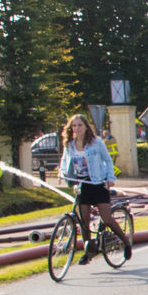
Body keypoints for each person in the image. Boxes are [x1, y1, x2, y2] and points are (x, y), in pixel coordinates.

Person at [59, 113, 131, 264]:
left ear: (86, 127)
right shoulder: (69, 144)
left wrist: (110, 178)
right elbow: (64, 161)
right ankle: (88, 251)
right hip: (82, 184)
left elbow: (108, 160)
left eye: (80, 125)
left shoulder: (96, 142)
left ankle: (126, 242)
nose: (77, 128)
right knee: (84, 220)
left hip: (98, 183)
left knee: (106, 218)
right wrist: (62, 172)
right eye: (74, 125)